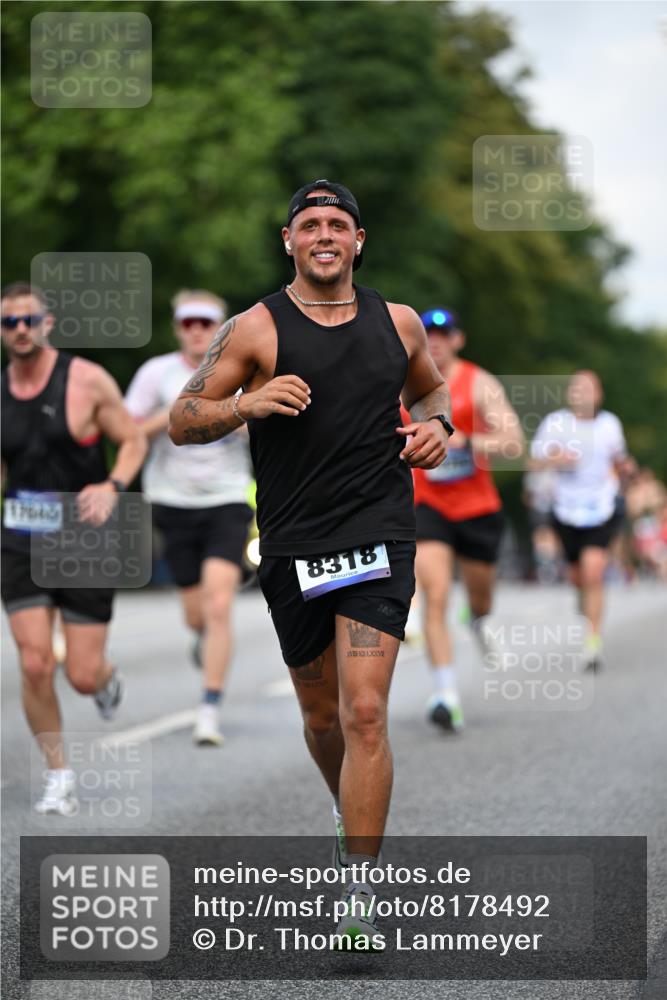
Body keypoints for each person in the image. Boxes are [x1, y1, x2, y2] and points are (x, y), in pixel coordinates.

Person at [168, 180, 451, 945]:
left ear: (358, 240)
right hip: (294, 544)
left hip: (379, 533)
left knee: (365, 711)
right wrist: (243, 405)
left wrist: (439, 428)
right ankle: (342, 806)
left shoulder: (397, 323)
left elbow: (430, 394)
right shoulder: (255, 328)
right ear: (288, 240)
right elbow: (181, 419)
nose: (323, 234)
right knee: (322, 716)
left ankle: (359, 893)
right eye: (309, 224)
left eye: (337, 223)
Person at [1, 282, 147, 814]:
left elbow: (132, 439)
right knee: (36, 662)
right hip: (21, 533)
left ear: (48, 323)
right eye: (9, 322)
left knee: (81, 675)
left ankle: (105, 678)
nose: (20, 330)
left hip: (84, 533)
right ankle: (58, 774)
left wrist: (112, 485)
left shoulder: (86, 379)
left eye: (29, 320)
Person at [125, 289, 254, 746]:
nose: (197, 330)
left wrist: (233, 411)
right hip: (172, 501)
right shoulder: (156, 373)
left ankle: (209, 708)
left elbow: (264, 426)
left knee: (219, 605)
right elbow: (126, 430)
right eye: (188, 323)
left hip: (227, 498)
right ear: (178, 328)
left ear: (221, 329)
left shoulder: (240, 372)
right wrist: (177, 414)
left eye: (205, 323)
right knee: (196, 614)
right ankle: (203, 636)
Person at [411, 308, 524, 732]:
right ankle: (446, 694)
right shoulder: (404, 382)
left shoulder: (479, 382)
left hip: (477, 508)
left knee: (480, 599)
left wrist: (467, 442)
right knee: (436, 593)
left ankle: (477, 619)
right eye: (428, 334)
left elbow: (514, 441)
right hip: (428, 505)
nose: (435, 341)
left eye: (444, 334)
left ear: (458, 340)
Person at [530, 370, 629, 671]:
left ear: (599, 395)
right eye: (576, 388)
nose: (581, 393)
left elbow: (619, 461)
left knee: (593, 572)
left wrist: (625, 473)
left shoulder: (610, 425)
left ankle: (593, 643)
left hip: (600, 508)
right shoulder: (555, 424)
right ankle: (583, 598)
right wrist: (555, 459)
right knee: (578, 577)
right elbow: (532, 462)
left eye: (588, 388)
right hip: (565, 509)